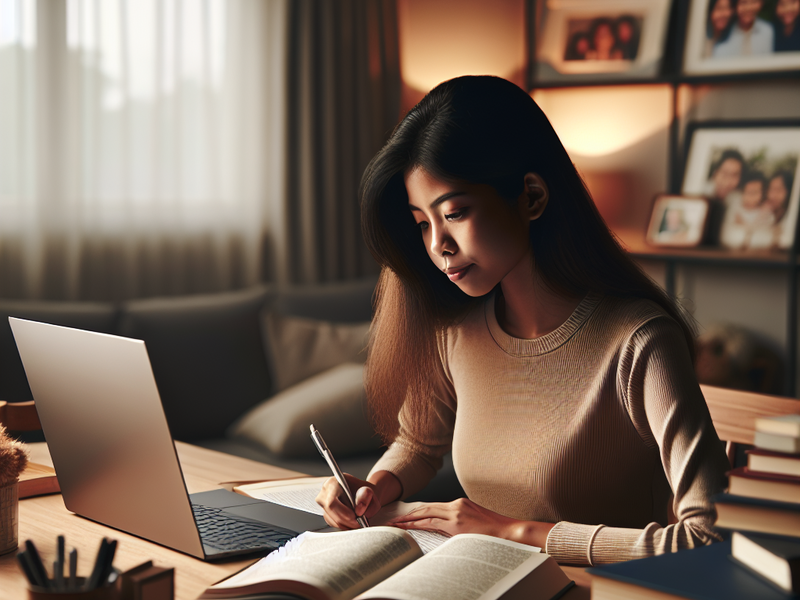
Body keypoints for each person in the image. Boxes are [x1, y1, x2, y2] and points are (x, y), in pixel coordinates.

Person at [316, 76, 729, 566]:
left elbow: (706, 539)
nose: (437, 246)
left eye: (456, 212)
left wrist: (514, 530)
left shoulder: (639, 344)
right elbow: (418, 445)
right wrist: (374, 488)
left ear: (531, 196)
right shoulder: (457, 331)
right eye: (423, 223)